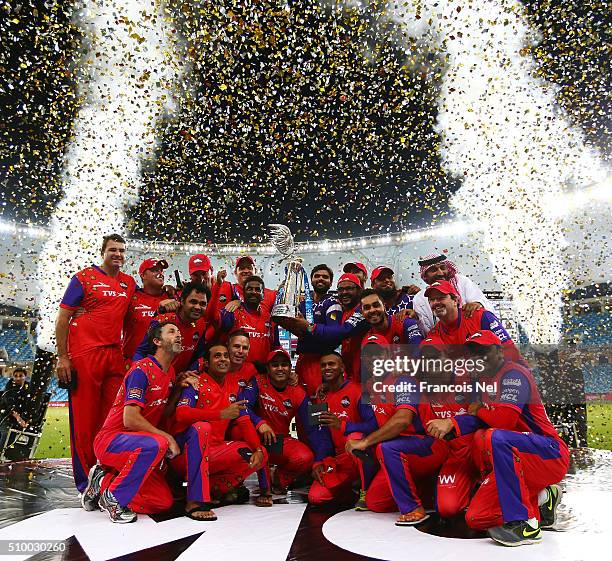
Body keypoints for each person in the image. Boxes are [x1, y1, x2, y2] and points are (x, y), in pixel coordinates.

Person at [427, 331, 569, 546]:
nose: (478, 357)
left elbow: (504, 420)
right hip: (515, 460)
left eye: (484, 351)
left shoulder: (514, 374)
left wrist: (478, 411)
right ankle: (543, 497)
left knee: (493, 436)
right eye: (473, 353)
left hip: (548, 454)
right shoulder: (481, 381)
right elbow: (479, 419)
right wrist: (454, 424)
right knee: (476, 518)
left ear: (499, 351)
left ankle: (523, 524)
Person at [86, 321, 216, 523]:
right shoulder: (141, 370)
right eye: (172, 332)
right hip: (111, 441)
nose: (179, 335)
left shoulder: (170, 372)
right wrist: (166, 437)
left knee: (161, 502)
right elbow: (129, 419)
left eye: (180, 332)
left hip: (144, 444)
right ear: (157, 341)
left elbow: (164, 412)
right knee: (161, 442)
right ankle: (113, 500)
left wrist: (177, 391)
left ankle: (103, 481)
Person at [55, 233, 136, 492]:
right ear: (102, 252)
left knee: (112, 420)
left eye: (122, 250)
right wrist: (62, 357)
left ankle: (108, 476)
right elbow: (63, 318)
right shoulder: (82, 278)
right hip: (85, 353)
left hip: (114, 356)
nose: (118, 254)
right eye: (113, 250)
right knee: (85, 421)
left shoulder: (129, 283)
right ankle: (86, 484)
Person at [173, 343, 272, 507]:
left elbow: (245, 421)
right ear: (206, 362)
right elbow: (181, 414)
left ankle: (214, 489)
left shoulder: (234, 386)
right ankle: (196, 500)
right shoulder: (195, 382)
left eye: (226, 355)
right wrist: (220, 414)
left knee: (261, 453)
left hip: (216, 450)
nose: (223, 359)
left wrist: (257, 449)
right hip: (186, 453)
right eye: (217, 356)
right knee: (202, 428)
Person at [240, 349, 319, 494]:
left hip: (278, 441)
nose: (280, 368)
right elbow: (242, 407)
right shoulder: (257, 381)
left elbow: (312, 426)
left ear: (290, 368)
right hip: (253, 439)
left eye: (284, 365)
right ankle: (234, 484)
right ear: (268, 369)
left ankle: (277, 478)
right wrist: (259, 423)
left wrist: (321, 459)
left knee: (306, 457)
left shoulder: (299, 392)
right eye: (275, 365)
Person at [308, 352, 376, 505]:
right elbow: (320, 434)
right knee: (316, 497)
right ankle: (349, 488)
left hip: (361, 454)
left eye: (331, 364)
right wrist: (319, 461)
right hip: (340, 459)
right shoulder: (320, 396)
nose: (327, 368)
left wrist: (343, 425)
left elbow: (374, 425)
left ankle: (366, 489)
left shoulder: (359, 391)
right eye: (323, 365)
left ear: (342, 368)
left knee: (355, 437)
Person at [424, 280, 519, 361]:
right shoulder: (434, 334)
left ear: (455, 301)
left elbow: (510, 351)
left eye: (441, 298)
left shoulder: (480, 316)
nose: (436, 303)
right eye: (432, 300)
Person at [133, 281, 209, 375]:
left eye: (202, 304)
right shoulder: (162, 320)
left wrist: (188, 373)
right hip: (155, 379)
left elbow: (199, 355)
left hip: (178, 381)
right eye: (193, 302)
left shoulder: (201, 324)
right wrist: (137, 373)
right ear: (182, 301)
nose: (198, 307)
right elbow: (141, 351)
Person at [412, 253, 497, 333]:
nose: (440, 273)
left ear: (455, 300)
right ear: (425, 275)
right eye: (434, 270)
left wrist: (478, 304)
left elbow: (486, 306)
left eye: (442, 268)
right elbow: (427, 331)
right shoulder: (419, 299)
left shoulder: (462, 282)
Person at [293, 264, 342, 396]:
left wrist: (308, 326)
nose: (321, 279)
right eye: (317, 276)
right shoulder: (303, 304)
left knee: (317, 401)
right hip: (302, 359)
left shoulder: (332, 304)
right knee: (300, 400)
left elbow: (333, 333)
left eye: (325, 277)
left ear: (331, 282)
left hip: (320, 361)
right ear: (311, 279)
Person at [216, 275, 279, 365]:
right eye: (249, 289)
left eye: (257, 289)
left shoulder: (270, 318)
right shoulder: (232, 312)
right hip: (235, 373)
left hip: (262, 374)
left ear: (263, 295)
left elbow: (276, 347)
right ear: (244, 293)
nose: (253, 292)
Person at [122, 258, 171, 364]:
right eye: (154, 270)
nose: (160, 273)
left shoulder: (171, 298)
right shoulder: (131, 297)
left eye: (161, 270)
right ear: (143, 275)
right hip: (130, 363)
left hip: (160, 365)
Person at [206, 256, 276, 325]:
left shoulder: (271, 295)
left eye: (249, 268)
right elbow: (213, 317)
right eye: (242, 268)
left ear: (255, 270)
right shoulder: (227, 290)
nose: (246, 271)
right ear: (235, 272)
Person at [0, 368, 32, 452]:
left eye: (21, 376)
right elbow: (10, 405)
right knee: (6, 434)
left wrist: (26, 419)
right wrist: (19, 418)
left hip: (21, 417)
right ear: (13, 377)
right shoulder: (9, 388)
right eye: (16, 376)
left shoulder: (29, 387)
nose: (18, 378)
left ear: (25, 377)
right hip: (6, 416)